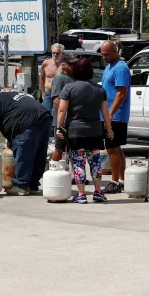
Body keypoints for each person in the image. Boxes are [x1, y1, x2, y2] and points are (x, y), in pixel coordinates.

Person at [0, 73, 52, 196]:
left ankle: (20, 185)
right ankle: (33, 185)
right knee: (39, 152)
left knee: (23, 151)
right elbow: (11, 111)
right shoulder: (8, 91)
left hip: (26, 120)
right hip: (44, 115)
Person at [56, 58, 114, 204]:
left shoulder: (69, 88)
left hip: (76, 132)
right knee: (95, 163)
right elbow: (105, 113)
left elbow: (62, 109)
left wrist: (59, 127)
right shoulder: (100, 89)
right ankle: (98, 192)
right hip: (95, 132)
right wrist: (109, 129)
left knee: (79, 163)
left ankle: (81, 194)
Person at [100, 40, 130, 194]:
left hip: (115, 116)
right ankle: (122, 180)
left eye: (106, 54)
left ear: (114, 51)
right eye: (102, 54)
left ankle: (115, 181)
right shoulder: (109, 67)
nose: (103, 56)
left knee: (111, 149)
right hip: (109, 114)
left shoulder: (121, 68)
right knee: (116, 149)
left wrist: (110, 113)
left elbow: (121, 93)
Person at [49, 53, 78, 162]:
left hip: (72, 120)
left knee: (72, 150)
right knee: (59, 149)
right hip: (62, 121)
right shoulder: (59, 78)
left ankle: (71, 175)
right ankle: (52, 171)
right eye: (72, 64)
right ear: (64, 65)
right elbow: (56, 100)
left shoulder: (73, 77)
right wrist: (67, 112)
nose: (74, 66)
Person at [40, 43, 64, 119]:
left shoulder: (64, 65)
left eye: (57, 53)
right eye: (54, 53)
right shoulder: (46, 63)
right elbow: (42, 78)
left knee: (57, 115)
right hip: (48, 93)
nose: (55, 55)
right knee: (45, 115)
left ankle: (57, 129)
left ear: (61, 54)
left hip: (59, 94)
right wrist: (43, 93)